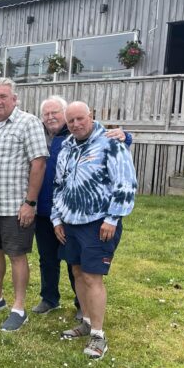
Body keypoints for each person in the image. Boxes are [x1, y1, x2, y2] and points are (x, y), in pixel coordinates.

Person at [51, 101, 137, 360]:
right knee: (77, 272)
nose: (76, 124)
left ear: (91, 116)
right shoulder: (66, 147)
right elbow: (59, 185)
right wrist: (57, 219)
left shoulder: (111, 142)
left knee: (92, 277)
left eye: (81, 119)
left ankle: (98, 336)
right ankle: (86, 321)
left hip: (98, 223)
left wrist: (113, 218)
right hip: (69, 222)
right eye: (71, 121)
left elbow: (125, 182)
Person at [33, 96, 132, 319]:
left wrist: (126, 136)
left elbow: (116, 153)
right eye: (46, 114)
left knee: (78, 266)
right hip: (48, 211)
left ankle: (82, 306)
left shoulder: (80, 138)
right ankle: (49, 298)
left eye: (55, 112)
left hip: (80, 215)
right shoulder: (38, 135)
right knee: (49, 258)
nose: (50, 117)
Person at [0, 78, 49, 331]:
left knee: (17, 255)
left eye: (3, 97)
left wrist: (30, 202)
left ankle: (19, 307)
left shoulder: (28, 123)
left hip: (15, 206)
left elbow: (38, 163)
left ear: (14, 99)